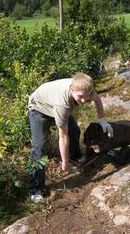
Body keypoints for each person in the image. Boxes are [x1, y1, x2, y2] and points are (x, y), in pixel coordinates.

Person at [28, 72, 113, 203]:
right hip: (40, 108)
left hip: (55, 103)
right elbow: (62, 136)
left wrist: (102, 120)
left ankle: (76, 157)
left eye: (87, 96)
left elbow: (97, 99)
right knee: (40, 146)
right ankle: (37, 189)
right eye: (80, 97)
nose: (84, 100)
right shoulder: (63, 104)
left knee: (74, 131)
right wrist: (64, 162)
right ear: (72, 90)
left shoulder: (85, 88)